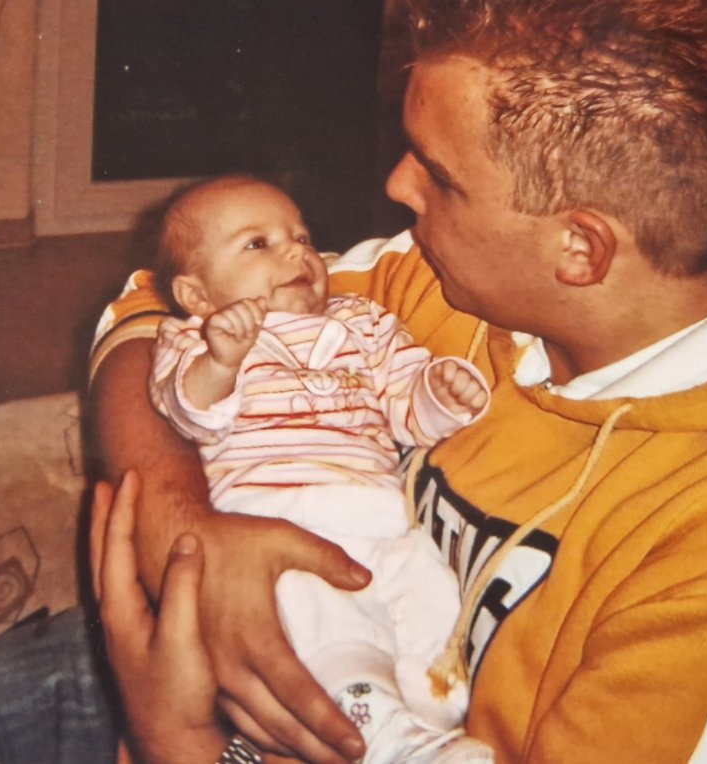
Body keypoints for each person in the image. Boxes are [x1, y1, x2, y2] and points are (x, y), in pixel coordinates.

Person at [89, 0, 707, 763]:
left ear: (579, 247)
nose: (396, 185)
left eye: (437, 175)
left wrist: (181, 744)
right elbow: (150, 312)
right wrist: (187, 533)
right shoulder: (464, 288)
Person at [146, 175, 493, 763]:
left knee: (431, 596)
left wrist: (439, 393)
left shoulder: (364, 321)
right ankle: (375, 730)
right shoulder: (195, 339)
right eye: (257, 244)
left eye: (301, 237)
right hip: (276, 516)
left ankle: (425, 716)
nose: (296, 252)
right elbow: (189, 413)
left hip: (381, 516)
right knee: (323, 621)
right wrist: (221, 363)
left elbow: (406, 407)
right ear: (197, 295)